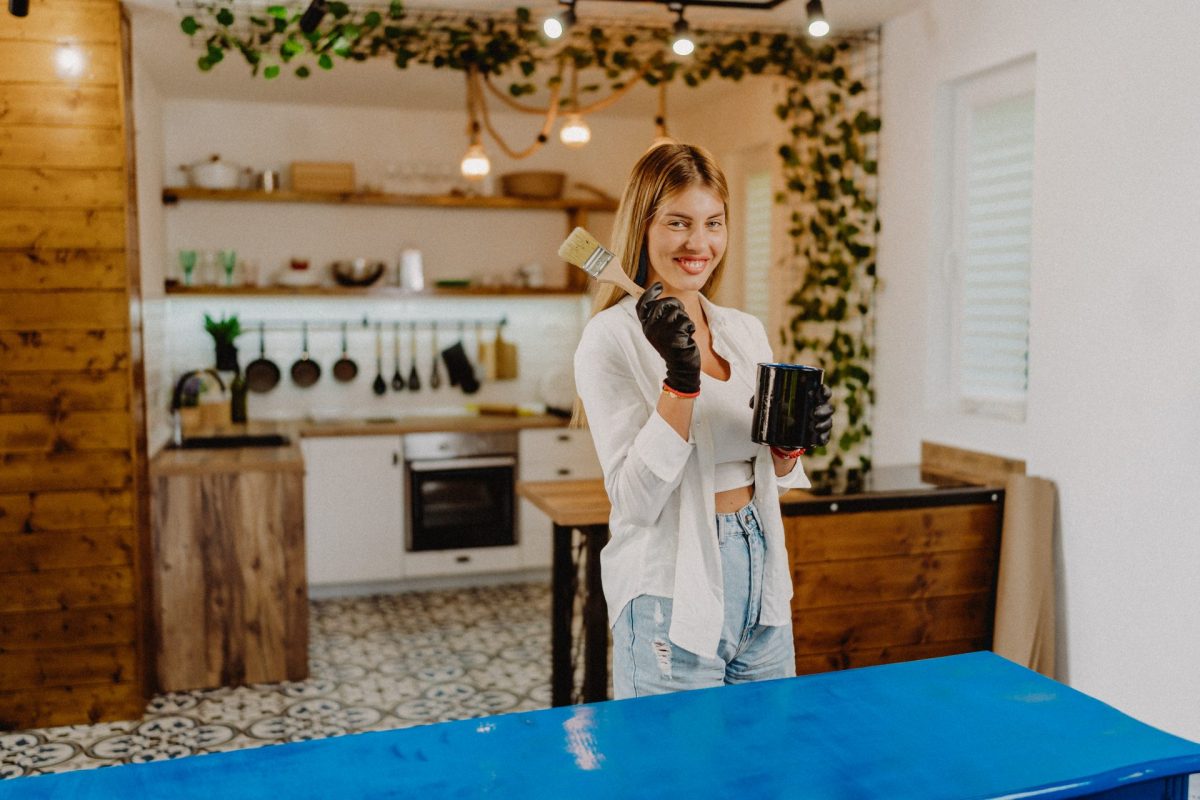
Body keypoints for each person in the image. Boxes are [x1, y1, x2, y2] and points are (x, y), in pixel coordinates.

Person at [573, 142, 833, 699]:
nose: (699, 243)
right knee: (677, 774)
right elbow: (635, 499)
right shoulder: (610, 338)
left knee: (764, 760)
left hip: (759, 570)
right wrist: (681, 382)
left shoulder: (743, 330)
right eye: (678, 222)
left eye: (714, 223)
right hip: (668, 579)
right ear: (642, 228)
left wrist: (792, 444)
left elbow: (765, 470)